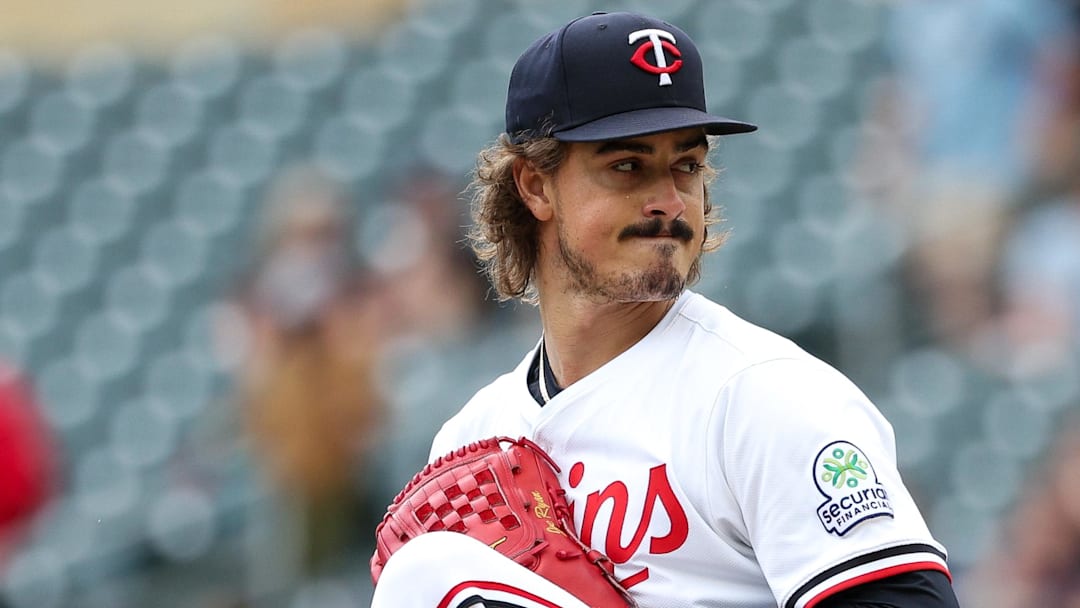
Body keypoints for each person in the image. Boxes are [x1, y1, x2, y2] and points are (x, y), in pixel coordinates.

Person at [371, 11, 959, 608]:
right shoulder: (473, 436)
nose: (669, 201)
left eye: (687, 165)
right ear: (535, 186)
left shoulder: (762, 397)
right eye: (628, 166)